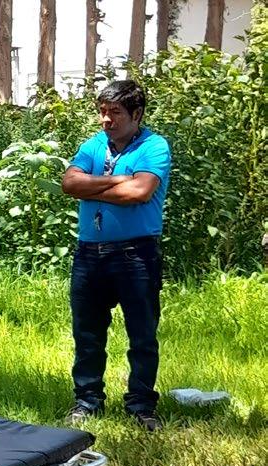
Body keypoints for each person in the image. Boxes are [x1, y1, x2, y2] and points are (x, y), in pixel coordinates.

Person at [60, 80, 171, 432]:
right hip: (89, 253)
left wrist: (93, 186)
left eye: (115, 113)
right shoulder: (94, 145)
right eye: (102, 112)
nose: (106, 119)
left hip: (136, 254)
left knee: (142, 334)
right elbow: (69, 184)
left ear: (137, 114)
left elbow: (140, 192)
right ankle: (87, 401)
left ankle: (141, 405)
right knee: (87, 334)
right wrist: (119, 181)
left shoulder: (154, 146)